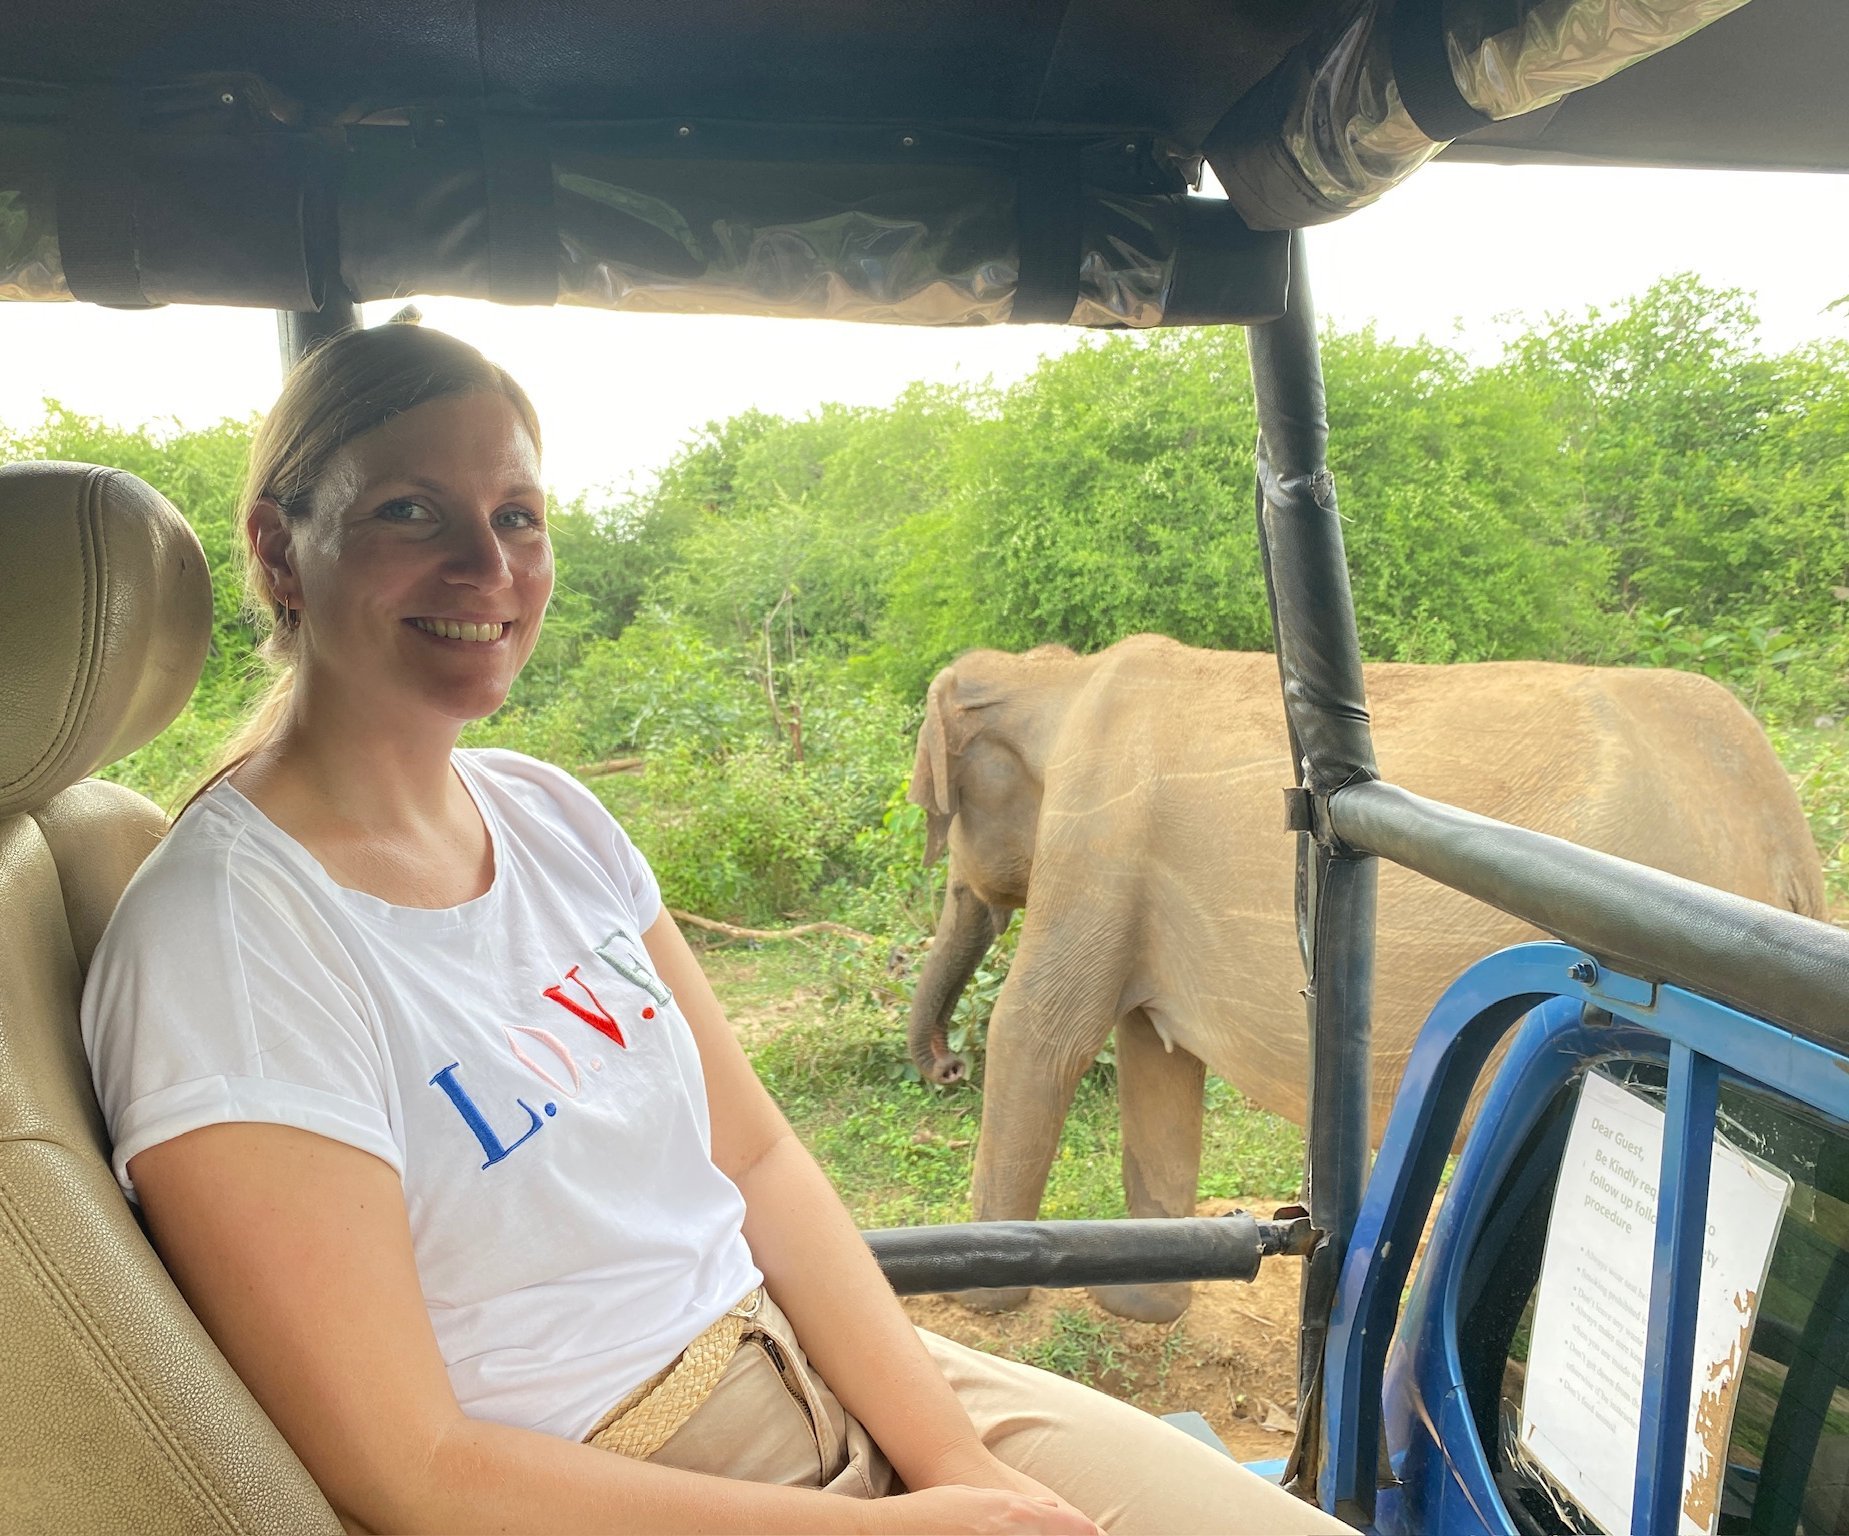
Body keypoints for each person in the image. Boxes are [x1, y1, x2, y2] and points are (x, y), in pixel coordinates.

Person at [80, 323, 1353, 1536]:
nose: (488, 565)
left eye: (517, 515)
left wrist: (955, 1469)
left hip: (819, 1362)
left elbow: (753, 1163)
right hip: (608, 1480)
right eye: (408, 511)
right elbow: (412, 1471)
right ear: (279, 547)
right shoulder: (229, 947)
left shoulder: (549, 816)